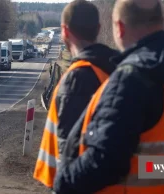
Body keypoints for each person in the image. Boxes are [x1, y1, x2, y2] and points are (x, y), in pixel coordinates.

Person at [53, 0, 164, 193]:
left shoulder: (132, 80)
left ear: (119, 28)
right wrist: (154, 168)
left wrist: (65, 181)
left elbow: (106, 161)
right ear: (162, 21)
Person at [33, 0, 118, 190]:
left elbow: (70, 154)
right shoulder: (118, 70)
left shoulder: (77, 80)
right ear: (98, 29)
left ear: (64, 31)